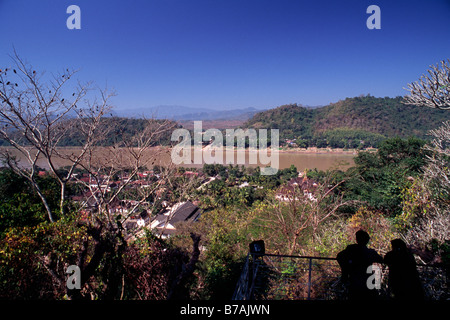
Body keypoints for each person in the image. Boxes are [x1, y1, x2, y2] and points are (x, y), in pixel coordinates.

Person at [336, 230, 384, 299]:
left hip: (354, 281)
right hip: (368, 281)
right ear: (367, 240)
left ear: (357, 239)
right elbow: (381, 260)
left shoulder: (350, 250)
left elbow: (339, 257)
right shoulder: (370, 253)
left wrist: (345, 270)